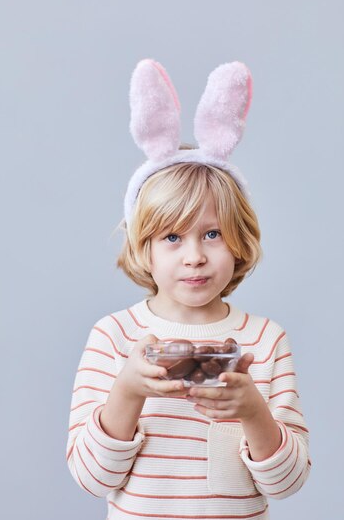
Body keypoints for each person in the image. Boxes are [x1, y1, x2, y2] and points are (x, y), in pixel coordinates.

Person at [66, 59, 312, 519]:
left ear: (240, 240)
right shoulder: (114, 337)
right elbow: (90, 477)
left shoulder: (265, 340)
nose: (194, 256)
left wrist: (253, 412)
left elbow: (288, 483)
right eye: (172, 238)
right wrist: (128, 391)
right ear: (145, 248)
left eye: (212, 234)